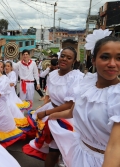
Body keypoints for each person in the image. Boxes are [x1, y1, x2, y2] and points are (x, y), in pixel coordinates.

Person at [48, 31, 120, 167]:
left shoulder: (117, 96)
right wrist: (49, 116)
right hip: (79, 153)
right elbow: (72, 112)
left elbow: (115, 148)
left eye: (119, 58)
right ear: (93, 60)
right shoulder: (86, 84)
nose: (112, 64)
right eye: (105, 57)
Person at [23, 46, 83, 167]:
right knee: (53, 149)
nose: (64, 59)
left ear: (74, 61)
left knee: (63, 150)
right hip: (52, 111)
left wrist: (46, 113)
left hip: (68, 117)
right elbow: (50, 96)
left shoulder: (77, 77)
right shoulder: (53, 75)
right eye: (63, 56)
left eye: (69, 57)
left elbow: (69, 104)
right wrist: (42, 108)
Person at [4, 61, 30, 130]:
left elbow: (12, 83)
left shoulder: (12, 73)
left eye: (8, 66)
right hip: (7, 93)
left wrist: (3, 84)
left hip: (11, 94)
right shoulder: (6, 74)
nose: (6, 67)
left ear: (11, 68)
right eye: (5, 66)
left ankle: (16, 122)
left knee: (12, 107)